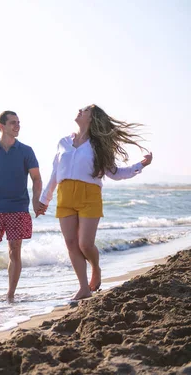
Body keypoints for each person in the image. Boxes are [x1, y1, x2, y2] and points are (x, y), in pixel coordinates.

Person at [37, 104, 153, 300]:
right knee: (71, 243)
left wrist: (140, 165)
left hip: (89, 195)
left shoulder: (98, 146)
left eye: (85, 110)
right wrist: (44, 199)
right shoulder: (63, 142)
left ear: (92, 118)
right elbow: (55, 173)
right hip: (65, 196)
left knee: (85, 244)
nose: (79, 111)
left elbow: (116, 173)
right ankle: (83, 287)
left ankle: (96, 268)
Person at [0, 110, 43, 302]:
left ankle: (11, 294)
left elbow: (36, 178)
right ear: (1, 126)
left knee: (15, 250)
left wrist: (36, 199)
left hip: (18, 208)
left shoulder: (26, 151)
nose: (17, 126)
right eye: (13, 123)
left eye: (19, 122)